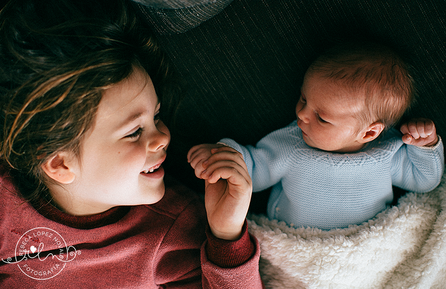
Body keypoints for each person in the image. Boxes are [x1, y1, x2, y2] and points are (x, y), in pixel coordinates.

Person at [0, 0, 263, 287]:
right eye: (134, 132)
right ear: (60, 164)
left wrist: (227, 236)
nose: (163, 137)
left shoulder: (172, 229)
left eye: (156, 116)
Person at [188, 41, 445, 230]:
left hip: (363, 246)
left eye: (322, 118)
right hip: (299, 245)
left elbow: (425, 181)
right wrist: (223, 155)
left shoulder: (388, 152)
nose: (302, 115)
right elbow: (254, 169)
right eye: (303, 99)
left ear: (369, 132)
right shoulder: (291, 144)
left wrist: (425, 146)